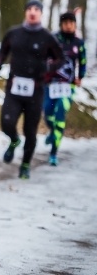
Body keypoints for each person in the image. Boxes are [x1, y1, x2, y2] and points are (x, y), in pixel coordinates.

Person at [0, 0, 64, 179]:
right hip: (14, 87)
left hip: (36, 90)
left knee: (30, 131)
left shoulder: (47, 38)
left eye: (36, 9)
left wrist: (49, 67)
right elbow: (3, 51)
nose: (33, 12)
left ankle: (25, 165)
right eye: (30, 9)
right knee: (6, 122)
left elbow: (60, 59)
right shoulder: (14, 33)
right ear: (25, 12)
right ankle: (14, 140)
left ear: (41, 13)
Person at [42, 11, 87, 165]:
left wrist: (80, 77)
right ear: (61, 24)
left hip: (68, 86)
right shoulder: (53, 39)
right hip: (51, 84)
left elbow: (83, 61)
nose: (69, 25)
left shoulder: (78, 43)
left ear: (75, 25)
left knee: (60, 113)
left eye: (71, 23)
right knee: (48, 111)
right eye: (66, 23)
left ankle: (53, 153)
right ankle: (51, 129)